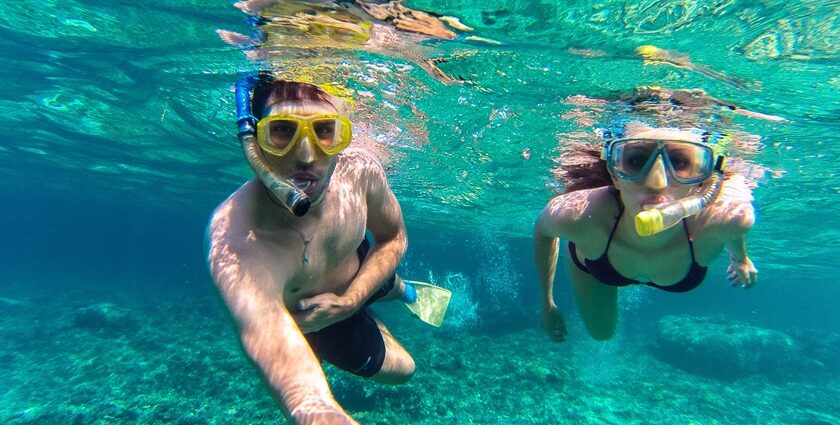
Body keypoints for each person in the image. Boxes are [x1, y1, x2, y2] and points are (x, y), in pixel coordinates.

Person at [206, 76, 447, 425]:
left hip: (354, 263)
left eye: (323, 131)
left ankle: (401, 290)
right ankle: (378, 306)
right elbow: (303, 392)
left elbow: (392, 238)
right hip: (314, 317)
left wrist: (349, 302)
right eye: (283, 131)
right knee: (403, 370)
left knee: (387, 283)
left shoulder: (360, 173)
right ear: (256, 142)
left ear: (341, 138)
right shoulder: (235, 240)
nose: (305, 155)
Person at [534, 118, 759, 342]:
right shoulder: (579, 217)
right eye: (637, 160)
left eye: (679, 162)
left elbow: (733, 224)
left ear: (702, 181)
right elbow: (543, 231)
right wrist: (547, 304)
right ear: (614, 175)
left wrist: (740, 258)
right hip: (595, 258)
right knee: (601, 333)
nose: (657, 182)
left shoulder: (726, 220)